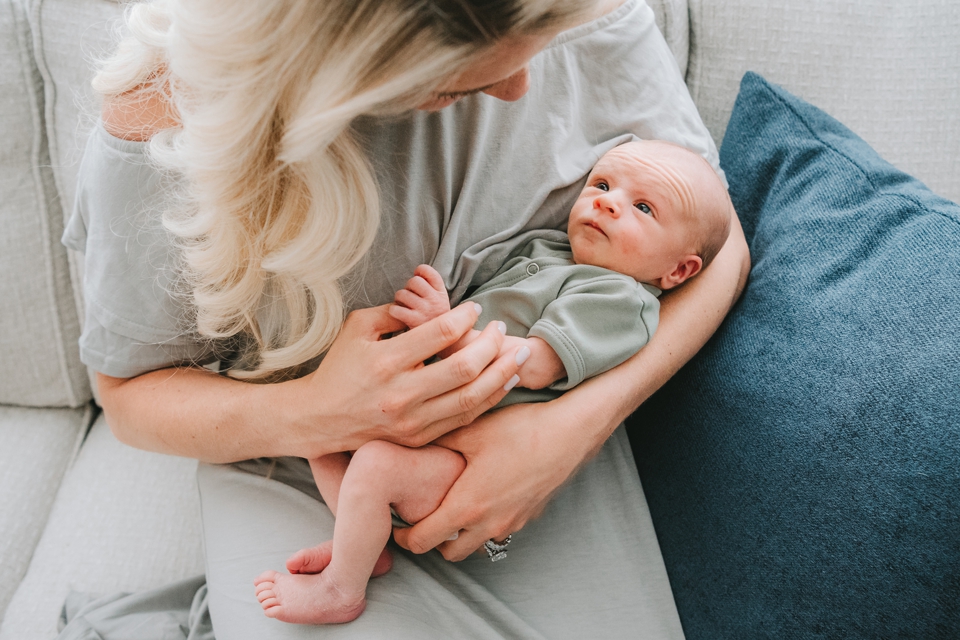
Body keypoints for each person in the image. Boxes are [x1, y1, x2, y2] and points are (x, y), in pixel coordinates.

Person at [68, 0, 751, 636]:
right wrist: (316, 413)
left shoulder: (574, 7)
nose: (519, 87)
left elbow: (718, 246)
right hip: (307, 467)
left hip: (554, 469)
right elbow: (129, 396)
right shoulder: (167, 115)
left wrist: (567, 430)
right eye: (453, 85)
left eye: (536, 46)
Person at [252, 139, 732, 624]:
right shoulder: (547, 248)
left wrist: (445, 325)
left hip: (467, 464)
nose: (607, 201)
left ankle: (341, 590)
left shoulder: (620, 300)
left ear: (679, 270)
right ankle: (360, 544)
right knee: (322, 439)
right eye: (603, 185)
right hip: (436, 424)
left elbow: (533, 362)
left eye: (643, 207)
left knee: (375, 466)